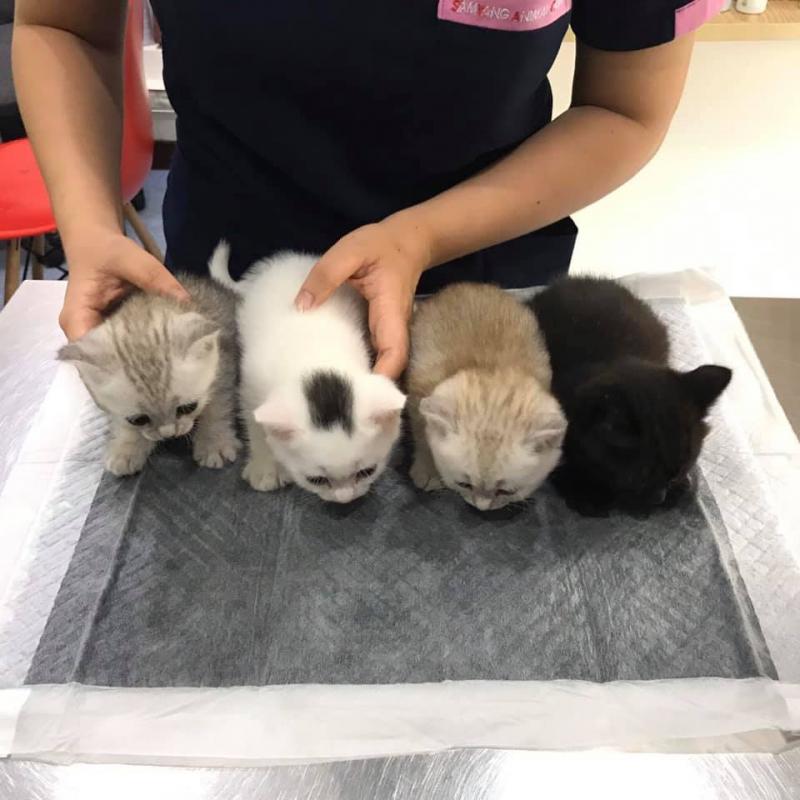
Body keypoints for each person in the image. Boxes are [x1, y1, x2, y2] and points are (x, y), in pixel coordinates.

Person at [13, 0, 713, 378]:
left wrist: (422, 237)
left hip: (474, 303)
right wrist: (90, 224)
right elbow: (63, 27)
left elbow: (626, 109)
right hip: (229, 292)